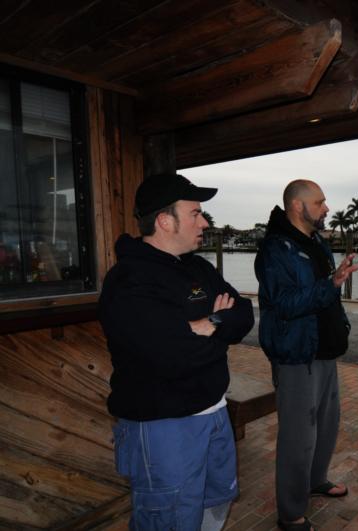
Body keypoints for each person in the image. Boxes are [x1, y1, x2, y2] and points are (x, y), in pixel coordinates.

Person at [99, 173, 254, 530]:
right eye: (196, 213)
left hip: (215, 415)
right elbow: (173, 355)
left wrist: (206, 323)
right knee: (170, 522)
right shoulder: (129, 280)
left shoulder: (197, 266)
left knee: (216, 507)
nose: (205, 222)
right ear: (165, 221)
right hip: (164, 428)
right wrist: (216, 326)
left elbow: (243, 315)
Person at [255, 180, 358, 531]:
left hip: (325, 350)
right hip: (296, 355)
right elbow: (282, 304)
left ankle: (316, 480)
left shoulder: (315, 242)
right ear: (298, 206)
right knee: (298, 437)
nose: (327, 208)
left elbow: (325, 293)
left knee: (327, 426)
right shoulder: (275, 250)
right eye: (320, 202)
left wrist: (337, 300)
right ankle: (291, 513)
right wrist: (330, 285)